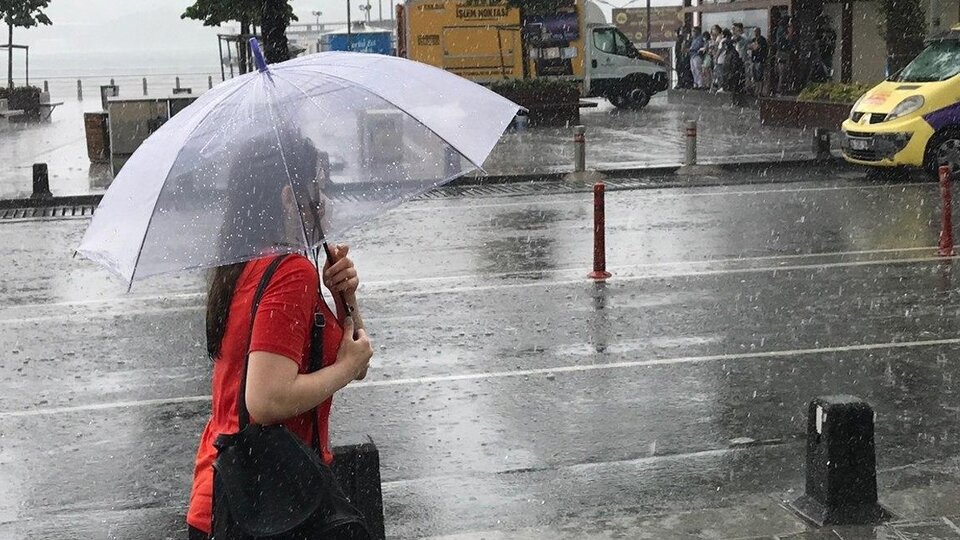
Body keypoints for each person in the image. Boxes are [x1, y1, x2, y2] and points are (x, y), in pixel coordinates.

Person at [185, 131, 374, 540]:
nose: (325, 199)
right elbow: (267, 400)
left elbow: (356, 355)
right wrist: (345, 369)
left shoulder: (243, 264)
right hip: (274, 501)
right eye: (318, 187)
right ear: (291, 198)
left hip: (232, 493)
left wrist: (345, 299)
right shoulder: (290, 272)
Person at [748, 27, 769, 94]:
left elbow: (757, 47)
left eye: (756, 31)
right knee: (754, 75)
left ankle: (760, 90)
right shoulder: (753, 39)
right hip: (754, 59)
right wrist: (753, 46)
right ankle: (756, 89)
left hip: (760, 59)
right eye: (754, 31)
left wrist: (755, 46)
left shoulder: (762, 40)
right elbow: (750, 47)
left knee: (760, 75)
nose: (755, 33)